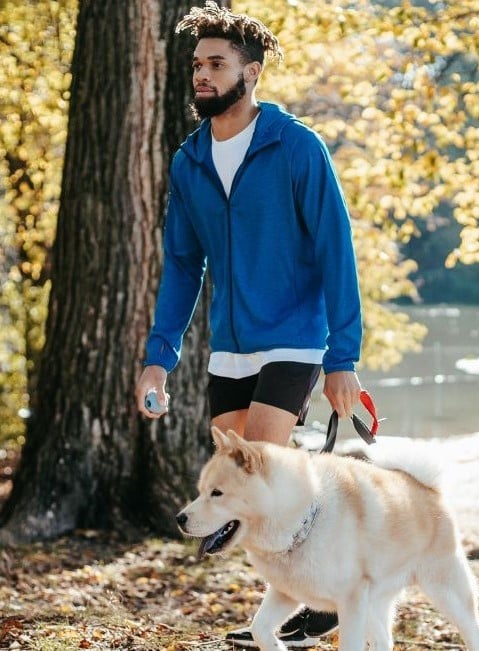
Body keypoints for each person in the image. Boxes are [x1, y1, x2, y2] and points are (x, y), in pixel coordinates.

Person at [134, 3, 360, 647]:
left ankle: (308, 609)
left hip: (294, 334)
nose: (201, 76)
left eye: (216, 64)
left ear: (251, 73)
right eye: (197, 65)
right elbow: (181, 265)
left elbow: (335, 251)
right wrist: (160, 356)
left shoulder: (297, 147)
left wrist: (342, 357)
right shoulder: (190, 161)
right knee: (253, 483)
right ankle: (322, 591)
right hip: (228, 347)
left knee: (260, 478)